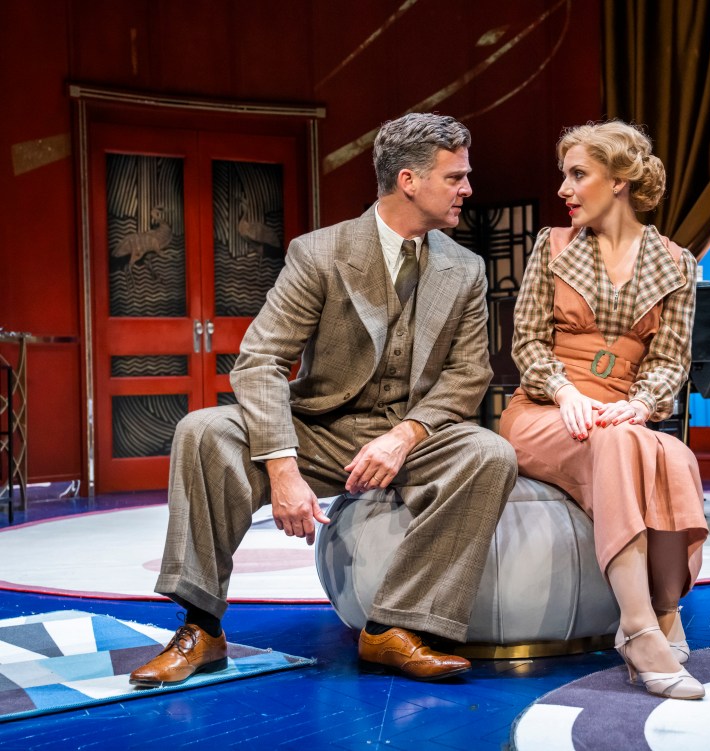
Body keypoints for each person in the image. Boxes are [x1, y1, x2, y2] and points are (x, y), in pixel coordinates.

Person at [130, 113, 517, 686]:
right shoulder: (320, 253)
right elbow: (260, 360)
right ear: (409, 181)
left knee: (489, 454)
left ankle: (395, 628)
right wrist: (282, 468)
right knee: (204, 431)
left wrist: (405, 434)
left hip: (408, 435)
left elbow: (468, 373)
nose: (467, 188)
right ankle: (201, 628)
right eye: (455, 177)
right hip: (320, 428)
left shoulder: (465, 268)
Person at [499, 121, 708, 700]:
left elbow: (670, 359)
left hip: (620, 415)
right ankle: (639, 628)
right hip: (545, 410)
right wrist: (565, 392)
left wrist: (639, 405)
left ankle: (665, 611)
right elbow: (527, 343)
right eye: (564, 175)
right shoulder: (553, 246)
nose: (564, 189)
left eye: (578, 174)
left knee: (673, 453)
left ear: (618, 181)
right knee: (621, 442)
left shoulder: (677, 263)